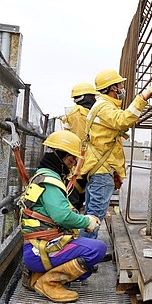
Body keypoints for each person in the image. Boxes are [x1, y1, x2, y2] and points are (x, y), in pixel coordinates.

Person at [19, 130, 106, 303]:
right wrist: (86, 221)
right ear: (60, 157)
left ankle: (35, 276)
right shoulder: (51, 181)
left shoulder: (42, 175)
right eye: (70, 160)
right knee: (97, 249)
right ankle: (47, 283)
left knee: (85, 270)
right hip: (40, 250)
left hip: (37, 247)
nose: (72, 165)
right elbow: (62, 216)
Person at [80, 69, 152, 239]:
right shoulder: (105, 107)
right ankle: (84, 258)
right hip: (101, 171)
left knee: (90, 215)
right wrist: (142, 98)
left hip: (97, 169)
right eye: (120, 84)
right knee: (94, 218)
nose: (122, 87)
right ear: (113, 88)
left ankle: (83, 252)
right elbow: (123, 120)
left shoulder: (101, 106)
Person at [60, 82, 98, 211]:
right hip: (78, 165)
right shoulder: (78, 114)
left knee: (79, 201)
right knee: (73, 203)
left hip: (82, 166)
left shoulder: (88, 113)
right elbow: (79, 140)